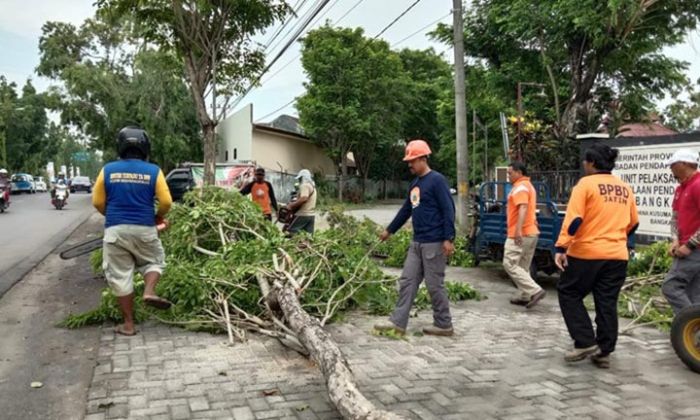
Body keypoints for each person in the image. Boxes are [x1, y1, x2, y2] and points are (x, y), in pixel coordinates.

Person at [554, 143, 638, 368]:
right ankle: (604, 351)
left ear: (591, 163)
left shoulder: (585, 185)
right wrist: (615, 238)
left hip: (587, 253)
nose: (583, 164)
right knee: (606, 302)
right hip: (617, 255)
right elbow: (633, 222)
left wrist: (562, 248)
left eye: (585, 161)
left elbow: (574, 221)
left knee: (568, 292)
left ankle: (584, 341)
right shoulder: (624, 188)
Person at [92, 126, 173, 336]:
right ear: (145, 148)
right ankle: (149, 290)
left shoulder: (107, 170)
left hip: (115, 230)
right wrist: (157, 216)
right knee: (154, 261)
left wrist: (110, 215)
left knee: (120, 276)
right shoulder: (154, 171)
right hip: (145, 227)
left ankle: (129, 324)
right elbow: (166, 201)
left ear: (120, 146)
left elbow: (97, 201)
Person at [374, 139, 455, 337]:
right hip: (417, 242)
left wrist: (448, 238)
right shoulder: (415, 184)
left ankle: (444, 324)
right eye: (408, 161)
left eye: (412, 160)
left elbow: (448, 210)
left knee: (434, 285)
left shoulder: (437, 180)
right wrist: (389, 230)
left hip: (434, 242)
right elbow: (406, 210)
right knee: (407, 281)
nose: (409, 164)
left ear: (422, 159)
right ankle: (398, 323)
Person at [662, 149, 700, 314]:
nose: (671, 169)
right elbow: (675, 218)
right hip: (684, 247)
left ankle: (689, 324)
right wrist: (675, 240)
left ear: (684, 164)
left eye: (673, 165)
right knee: (694, 294)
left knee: (671, 287)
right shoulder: (680, 189)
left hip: (694, 250)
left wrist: (690, 245)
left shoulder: (698, 185)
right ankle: (693, 336)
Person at [504, 161, 546, 308]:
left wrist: (518, 230)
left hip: (521, 233)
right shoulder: (529, 186)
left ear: (519, 173)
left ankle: (535, 291)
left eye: (510, 173)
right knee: (523, 266)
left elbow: (523, 208)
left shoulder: (520, 188)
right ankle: (524, 295)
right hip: (531, 232)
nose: (508, 176)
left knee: (509, 263)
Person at [285, 169, 317, 234]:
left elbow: (304, 198)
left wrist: (292, 205)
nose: (299, 180)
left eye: (300, 178)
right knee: (307, 236)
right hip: (311, 215)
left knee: (290, 232)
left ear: (303, 177)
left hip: (303, 214)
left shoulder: (305, 185)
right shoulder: (312, 186)